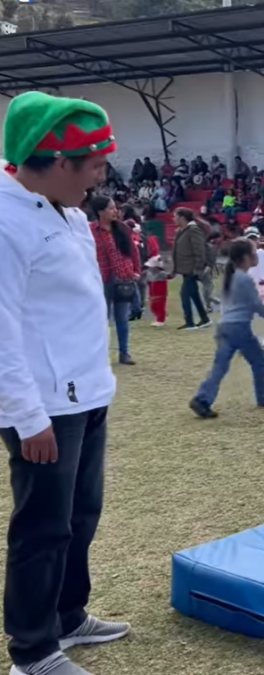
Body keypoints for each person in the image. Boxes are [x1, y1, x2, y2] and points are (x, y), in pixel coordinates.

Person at [0, 91, 131, 675]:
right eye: (95, 166)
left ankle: (67, 614)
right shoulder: (5, 223)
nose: (103, 178)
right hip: (45, 405)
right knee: (43, 526)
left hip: (86, 391)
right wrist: (28, 416)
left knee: (82, 514)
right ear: (57, 162)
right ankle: (33, 649)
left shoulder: (68, 210)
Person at [189, 239, 264, 418]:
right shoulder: (244, 279)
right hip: (239, 328)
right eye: (254, 253)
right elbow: (256, 305)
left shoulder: (232, 277)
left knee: (220, 367)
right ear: (246, 257)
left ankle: (202, 399)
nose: (257, 256)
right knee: (259, 359)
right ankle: (263, 397)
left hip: (225, 327)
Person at [87, 196, 140, 366]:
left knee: (122, 319)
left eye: (115, 208)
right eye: (110, 208)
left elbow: (132, 251)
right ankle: (99, 355)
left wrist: (136, 271)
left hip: (123, 278)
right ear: (100, 212)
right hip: (101, 280)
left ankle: (124, 353)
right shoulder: (90, 231)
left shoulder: (122, 228)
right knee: (101, 320)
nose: (115, 211)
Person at [172, 207, 212, 330]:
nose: (173, 219)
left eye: (175, 216)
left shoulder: (193, 230)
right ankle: (204, 319)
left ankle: (190, 322)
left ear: (182, 218)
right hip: (185, 268)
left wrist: (199, 267)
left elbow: (199, 250)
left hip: (192, 269)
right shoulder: (182, 230)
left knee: (184, 294)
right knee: (194, 294)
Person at [244, 227, 264, 348]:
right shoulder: (242, 255)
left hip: (262, 287)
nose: (252, 242)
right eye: (250, 239)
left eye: (254, 239)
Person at [146, 254, 170, 327]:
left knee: (160, 307)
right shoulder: (149, 274)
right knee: (153, 307)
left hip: (161, 294)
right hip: (153, 294)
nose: (150, 268)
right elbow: (149, 283)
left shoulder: (162, 274)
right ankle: (161, 316)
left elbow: (169, 276)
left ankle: (160, 320)